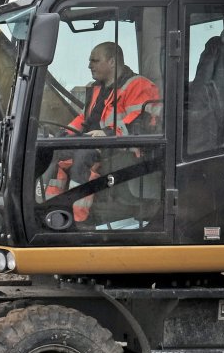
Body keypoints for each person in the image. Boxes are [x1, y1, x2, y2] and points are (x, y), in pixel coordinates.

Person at [46, 42, 161, 223]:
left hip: (121, 146)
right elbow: (84, 119)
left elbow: (141, 122)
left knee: (82, 159)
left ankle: (78, 220)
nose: (89, 65)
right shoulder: (96, 88)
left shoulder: (139, 86)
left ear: (112, 62)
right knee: (56, 152)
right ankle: (52, 210)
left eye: (95, 60)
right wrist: (63, 134)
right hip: (94, 142)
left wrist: (106, 134)